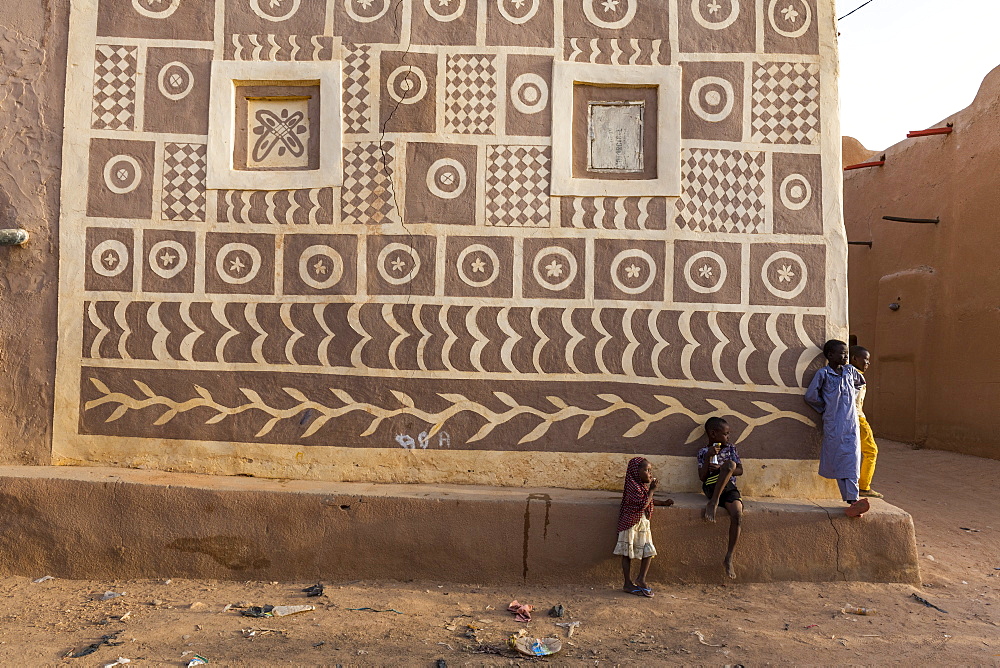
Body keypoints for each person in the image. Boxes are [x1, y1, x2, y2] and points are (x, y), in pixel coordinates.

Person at [805, 339, 870, 517]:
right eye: (842, 353)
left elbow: (860, 383)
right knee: (840, 459)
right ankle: (852, 500)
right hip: (834, 424)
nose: (846, 356)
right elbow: (811, 396)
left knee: (852, 458)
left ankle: (853, 499)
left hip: (851, 423)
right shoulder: (823, 374)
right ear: (830, 355)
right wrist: (826, 408)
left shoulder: (850, 371)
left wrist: (852, 402)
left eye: (846, 353)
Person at [614, 457, 673, 598]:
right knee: (627, 553)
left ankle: (641, 578)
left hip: (642, 523)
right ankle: (627, 583)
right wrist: (652, 490)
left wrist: (663, 502)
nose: (650, 474)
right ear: (636, 471)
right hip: (631, 524)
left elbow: (648, 500)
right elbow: (643, 504)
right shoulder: (632, 487)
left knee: (648, 550)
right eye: (646, 470)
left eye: (650, 470)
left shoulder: (640, 486)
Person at [697, 417, 744, 579]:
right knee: (728, 466)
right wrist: (708, 458)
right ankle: (714, 500)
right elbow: (702, 477)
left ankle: (729, 556)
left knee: (737, 514)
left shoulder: (731, 448)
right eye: (725, 434)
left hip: (729, 487)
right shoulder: (703, 452)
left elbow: (740, 470)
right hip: (711, 484)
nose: (728, 437)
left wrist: (724, 469)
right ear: (713, 434)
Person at [850, 346, 882, 498]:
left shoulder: (850, 373)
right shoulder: (855, 375)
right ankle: (864, 486)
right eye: (865, 359)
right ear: (854, 358)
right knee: (871, 451)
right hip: (858, 417)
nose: (868, 363)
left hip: (851, 418)